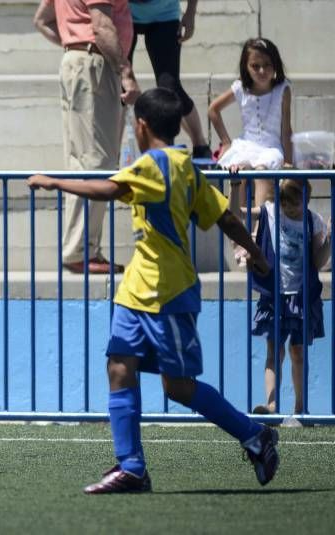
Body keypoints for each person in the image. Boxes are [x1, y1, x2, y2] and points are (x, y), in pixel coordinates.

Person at [27, 87, 279, 493]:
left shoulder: (156, 164)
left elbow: (109, 189)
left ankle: (255, 434)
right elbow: (225, 219)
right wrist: (258, 256)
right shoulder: (186, 166)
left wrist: (54, 181)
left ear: (140, 126)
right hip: (135, 290)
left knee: (177, 387)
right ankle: (132, 467)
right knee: (119, 365)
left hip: (168, 291)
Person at [33, 0, 140, 274]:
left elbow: (42, 20)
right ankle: (81, 252)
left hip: (79, 61)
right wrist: (126, 72)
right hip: (95, 64)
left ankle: (80, 249)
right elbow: (102, 26)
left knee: (82, 162)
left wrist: (73, 48)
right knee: (97, 162)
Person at [230, 179, 330, 416]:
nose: (289, 207)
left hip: (301, 296)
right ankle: (272, 404)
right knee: (274, 351)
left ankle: (300, 406)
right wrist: (235, 186)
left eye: (295, 202)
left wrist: (329, 240)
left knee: (298, 352)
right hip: (274, 294)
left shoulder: (311, 220)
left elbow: (318, 261)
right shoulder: (270, 212)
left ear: (306, 198)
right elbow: (234, 214)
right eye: (284, 201)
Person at [209, 37, 292, 209]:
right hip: (246, 145)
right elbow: (213, 110)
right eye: (255, 66)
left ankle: (259, 229)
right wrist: (225, 141)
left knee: (262, 172)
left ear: (275, 65)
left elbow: (286, 130)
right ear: (246, 67)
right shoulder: (240, 88)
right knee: (238, 172)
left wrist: (288, 161)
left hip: (271, 147)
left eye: (268, 65)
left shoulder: (282, 89)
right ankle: (237, 231)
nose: (262, 71)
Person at [127, 0, 211, 158]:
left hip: (164, 15)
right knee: (121, 88)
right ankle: (114, 154)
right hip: (126, 14)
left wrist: (190, 13)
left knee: (170, 86)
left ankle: (200, 143)